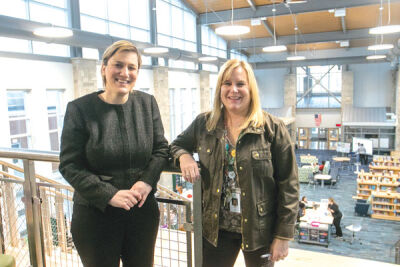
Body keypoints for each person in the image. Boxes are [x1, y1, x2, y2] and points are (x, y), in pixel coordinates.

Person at [170, 59, 299, 266]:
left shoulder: (272, 129)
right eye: (227, 83)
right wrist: (184, 157)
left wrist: (283, 236)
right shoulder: (204, 124)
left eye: (240, 84)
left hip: (260, 229)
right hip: (215, 230)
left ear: (251, 89)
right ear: (220, 88)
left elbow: (289, 185)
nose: (233, 90)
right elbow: (176, 145)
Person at [59, 40, 169, 267]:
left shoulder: (147, 103)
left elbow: (161, 149)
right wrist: (109, 194)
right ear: (104, 68)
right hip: (96, 215)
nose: (125, 73)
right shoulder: (79, 109)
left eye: (132, 67)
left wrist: (147, 182)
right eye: (118, 65)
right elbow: (69, 164)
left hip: (141, 213)